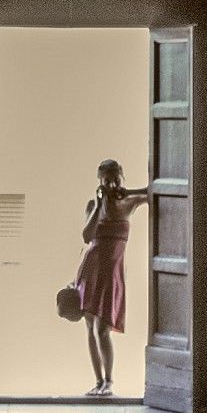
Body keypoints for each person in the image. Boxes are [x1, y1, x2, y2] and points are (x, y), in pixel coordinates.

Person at [72, 158, 149, 398]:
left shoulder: (129, 203)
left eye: (115, 180)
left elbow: (154, 191)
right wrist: (98, 205)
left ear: (121, 178)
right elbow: (86, 235)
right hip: (91, 269)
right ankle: (97, 381)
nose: (112, 185)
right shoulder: (93, 206)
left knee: (103, 329)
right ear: (100, 183)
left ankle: (109, 381)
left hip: (112, 272)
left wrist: (129, 191)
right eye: (106, 181)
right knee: (89, 327)